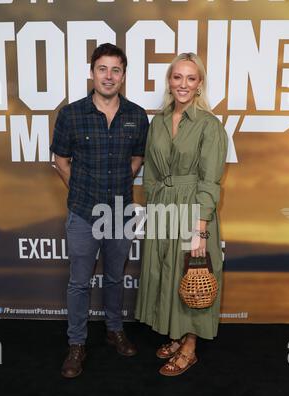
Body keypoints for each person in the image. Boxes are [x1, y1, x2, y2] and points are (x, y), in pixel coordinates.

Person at [50, 43, 149, 378]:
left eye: (116, 70)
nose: (109, 76)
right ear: (92, 72)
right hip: (82, 212)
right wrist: (81, 191)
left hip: (120, 213)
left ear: (123, 75)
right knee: (79, 283)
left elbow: (137, 159)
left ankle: (114, 329)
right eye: (102, 69)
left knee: (113, 276)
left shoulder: (136, 115)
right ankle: (76, 343)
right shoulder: (71, 114)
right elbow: (60, 161)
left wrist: (118, 187)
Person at [135, 53, 228, 376]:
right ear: (169, 81)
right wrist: (154, 201)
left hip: (193, 210)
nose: (183, 84)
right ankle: (176, 334)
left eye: (191, 78)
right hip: (163, 207)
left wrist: (200, 227)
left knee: (191, 276)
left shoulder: (209, 126)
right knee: (168, 273)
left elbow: (210, 179)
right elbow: (149, 171)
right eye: (177, 77)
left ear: (199, 84)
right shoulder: (158, 121)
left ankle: (189, 347)